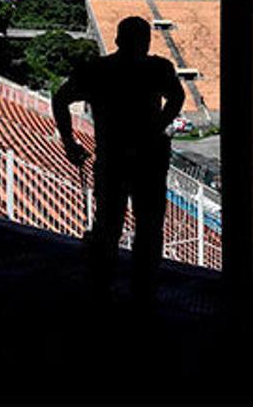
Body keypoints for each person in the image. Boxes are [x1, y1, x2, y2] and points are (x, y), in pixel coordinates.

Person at [53, 16, 185, 304]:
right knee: (149, 227)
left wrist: (69, 143)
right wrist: (156, 127)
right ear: (147, 42)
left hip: (112, 158)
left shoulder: (98, 70)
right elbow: (177, 97)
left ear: (116, 40)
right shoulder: (157, 68)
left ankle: (101, 289)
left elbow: (60, 99)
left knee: (108, 226)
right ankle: (144, 290)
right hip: (148, 159)